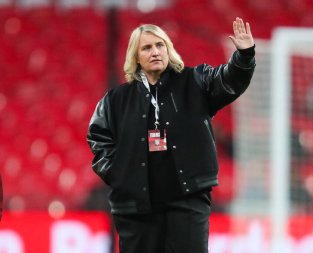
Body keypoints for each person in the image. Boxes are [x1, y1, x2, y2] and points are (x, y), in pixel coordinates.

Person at [87, 17, 255, 253]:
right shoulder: (115, 100)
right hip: (136, 207)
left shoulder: (195, 81)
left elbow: (228, 81)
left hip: (187, 200)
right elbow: (98, 138)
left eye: (160, 45)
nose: (155, 51)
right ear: (135, 56)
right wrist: (119, 174)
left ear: (169, 49)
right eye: (146, 47)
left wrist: (244, 56)